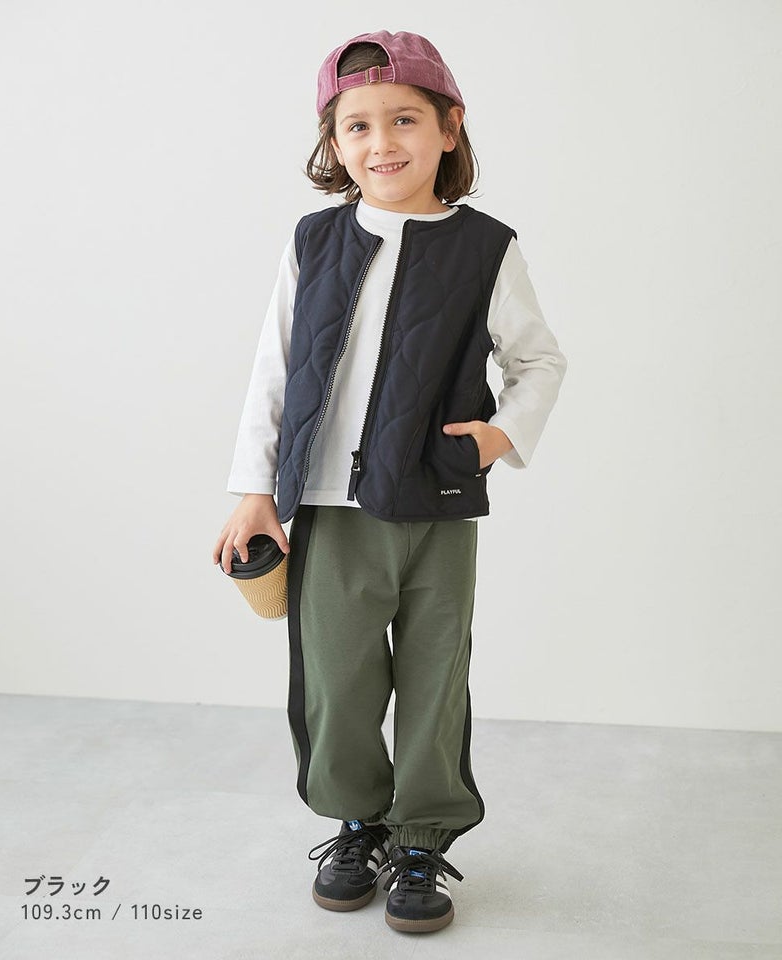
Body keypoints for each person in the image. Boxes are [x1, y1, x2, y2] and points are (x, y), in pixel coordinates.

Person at [212, 29, 567, 934]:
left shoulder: (486, 247)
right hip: (329, 509)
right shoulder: (315, 240)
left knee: (435, 676)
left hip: (438, 504)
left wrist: (499, 436)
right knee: (337, 681)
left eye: (404, 119)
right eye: (357, 125)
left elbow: (538, 360)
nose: (382, 143)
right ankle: (357, 822)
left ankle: (421, 837)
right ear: (334, 144)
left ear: (450, 127)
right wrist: (254, 488)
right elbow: (275, 367)